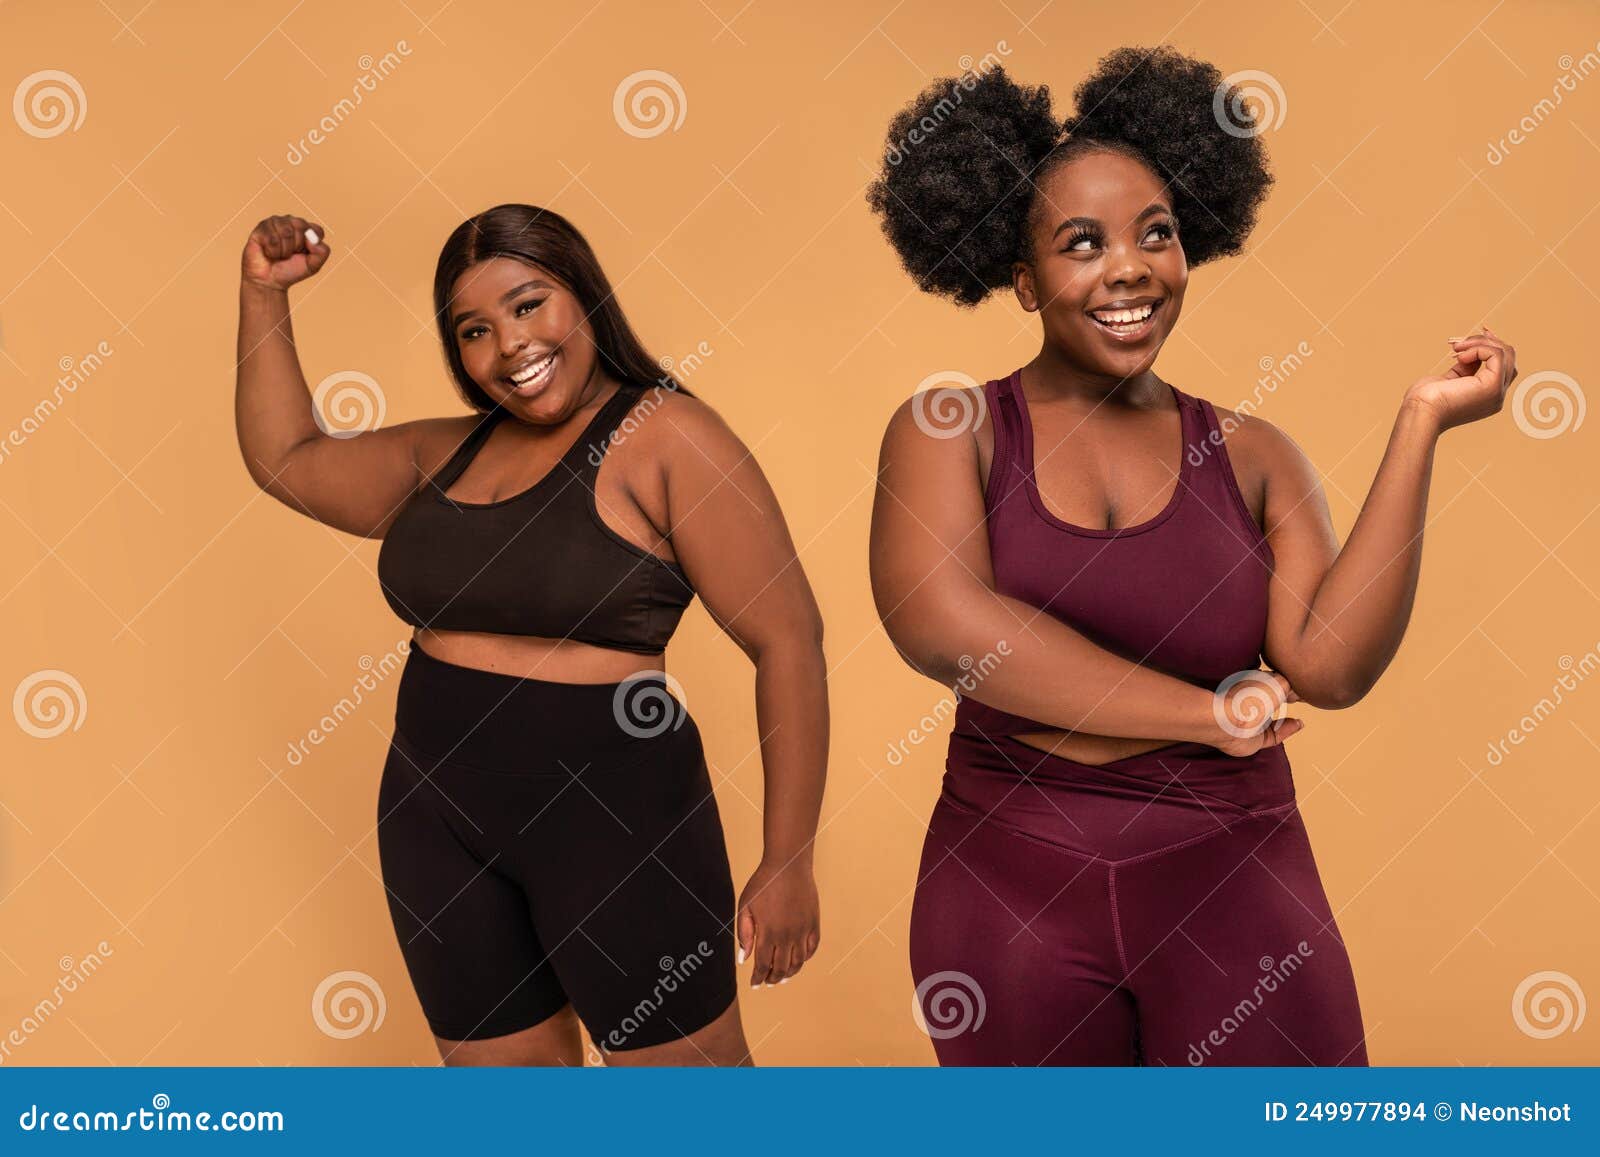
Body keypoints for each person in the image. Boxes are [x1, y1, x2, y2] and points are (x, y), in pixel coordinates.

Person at [866, 47, 1517, 1065]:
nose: (1129, 267)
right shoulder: (950, 428)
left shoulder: (1254, 454)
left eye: (1155, 234)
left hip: (1233, 873)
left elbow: (1330, 664)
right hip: (1008, 886)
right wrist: (1205, 712)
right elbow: (946, 624)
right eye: (1081, 243)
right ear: (1021, 277)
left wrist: (1422, 424)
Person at [235, 204, 828, 1066]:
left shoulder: (667, 438)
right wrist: (263, 295)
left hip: (616, 825)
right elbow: (285, 457)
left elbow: (790, 641)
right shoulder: (442, 456)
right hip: (434, 820)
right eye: (475, 329)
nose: (509, 344)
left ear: (583, 296)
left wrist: (789, 859)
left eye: (528, 304)